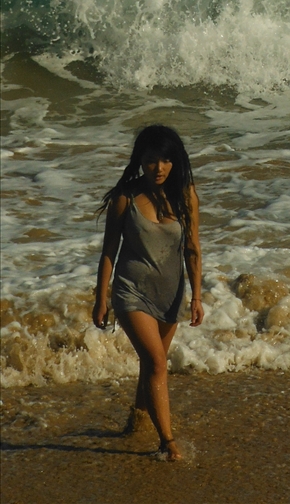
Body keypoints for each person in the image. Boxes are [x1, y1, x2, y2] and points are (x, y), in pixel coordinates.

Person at [93, 125, 204, 461]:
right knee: (156, 361)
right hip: (131, 292)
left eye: (167, 160)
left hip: (170, 294)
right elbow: (109, 250)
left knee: (150, 366)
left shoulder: (186, 197)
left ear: (176, 162)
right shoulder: (125, 198)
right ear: (140, 160)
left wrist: (197, 296)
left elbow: (193, 250)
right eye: (152, 160)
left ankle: (136, 420)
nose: (159, 168)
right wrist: (101, 297)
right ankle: (167, 442)